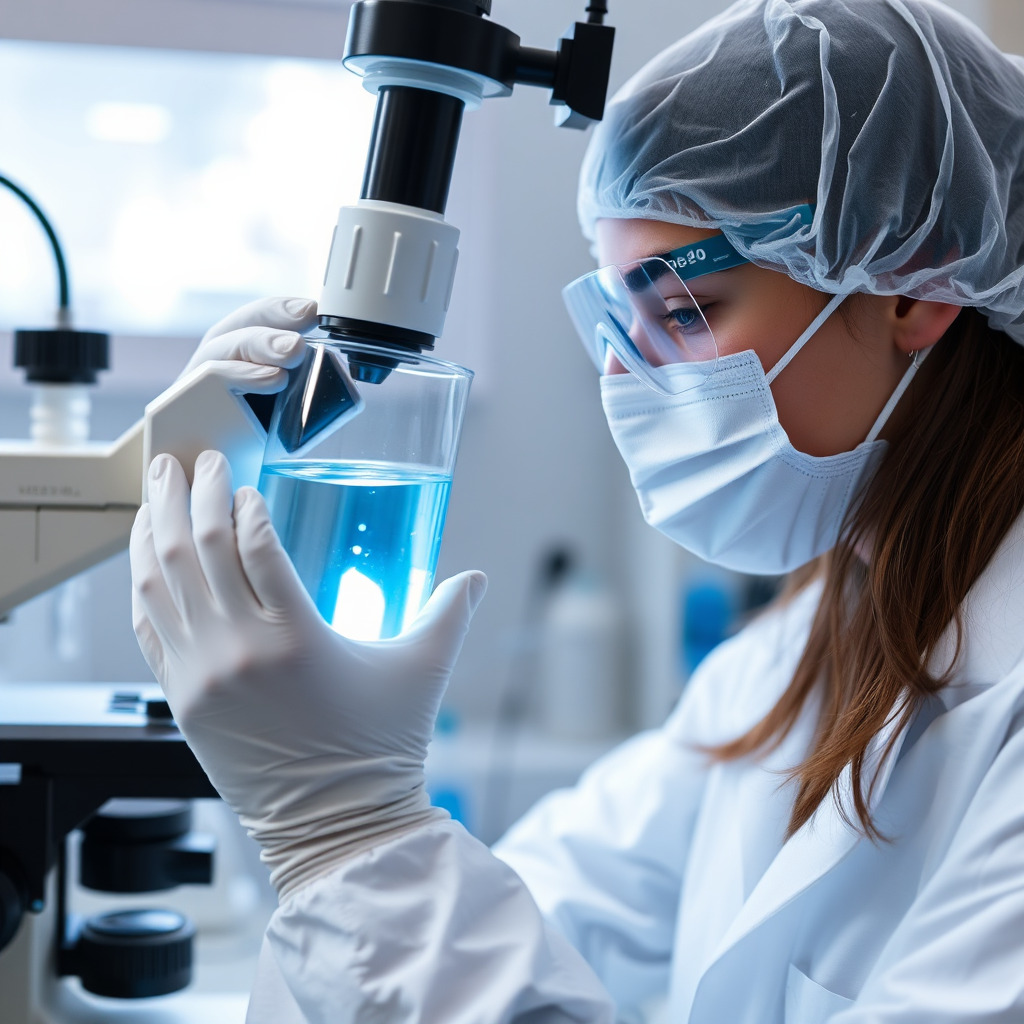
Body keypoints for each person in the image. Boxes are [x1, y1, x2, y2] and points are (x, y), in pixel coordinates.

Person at [129, 1, 1024, 1020]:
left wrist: (347, 831)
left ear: (913, 285)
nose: (626, 377)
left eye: (681, 310)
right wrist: (334, 822)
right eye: (614, 317)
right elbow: (560, 907)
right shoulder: (793, 656)